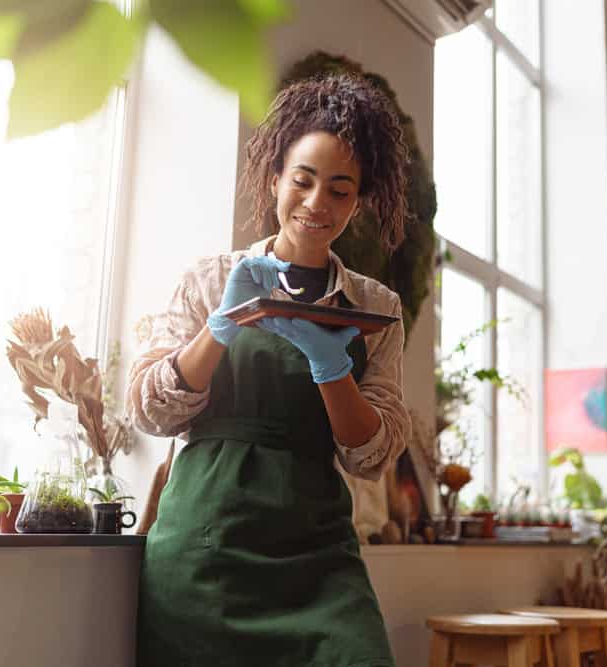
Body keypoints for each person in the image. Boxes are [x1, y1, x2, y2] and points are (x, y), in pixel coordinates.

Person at [128, 73, 412, 667]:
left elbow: (372, 457)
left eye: (339, 190)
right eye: (303, 181)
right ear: (276, 178)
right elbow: (150, 410)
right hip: (207, 549)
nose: (316, 203)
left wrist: (330, 367)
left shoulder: (375, 308)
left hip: (318, 558)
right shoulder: (208, 281)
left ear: (357, 200)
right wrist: (222, 325)